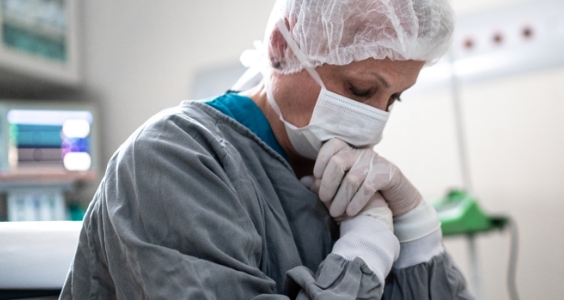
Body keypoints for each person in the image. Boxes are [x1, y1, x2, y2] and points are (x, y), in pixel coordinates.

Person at [59, 0, 472, 299]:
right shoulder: (171, 160)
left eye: (394, 98)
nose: (376, 119)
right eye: (360, 89)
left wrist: (417, 234)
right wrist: (363, 255)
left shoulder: (338, 177)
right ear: (282, 47)